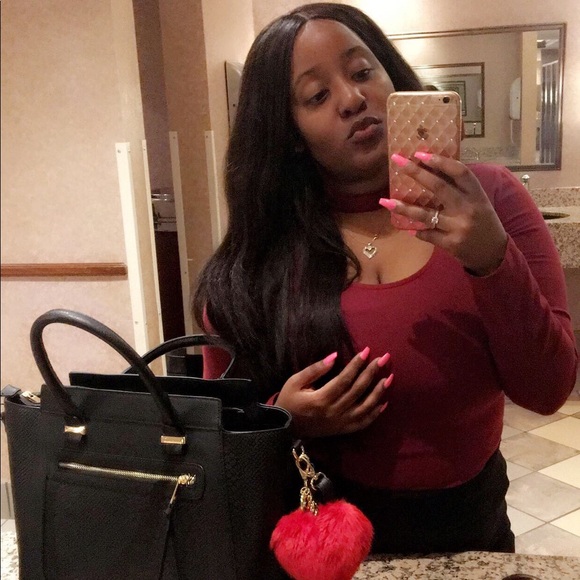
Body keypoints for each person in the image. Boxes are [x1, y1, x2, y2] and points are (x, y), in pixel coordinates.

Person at [194, 2, 578, 555]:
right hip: (317, 542)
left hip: (470, 535)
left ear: (390, 77)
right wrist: (283, 419)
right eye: (317, 96)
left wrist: (490, 258)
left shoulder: (490, 200)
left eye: (361, 71)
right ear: (290, 132)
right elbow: (218, 435)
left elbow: (547, 389)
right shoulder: (265, 253)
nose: (353, 98)